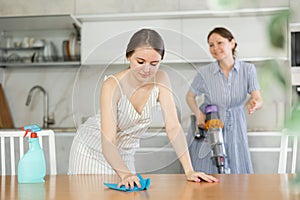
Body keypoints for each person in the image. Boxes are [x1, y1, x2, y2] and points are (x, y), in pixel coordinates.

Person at [68, 28, 218, 189]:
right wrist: (125, 174)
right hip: (93, 150)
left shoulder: (161, 79)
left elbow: (173, 126)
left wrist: (189, 170)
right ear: (128, 57)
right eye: (140, 62)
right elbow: (108, 141)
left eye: (154, 64)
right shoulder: (112, 85)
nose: (147, 69)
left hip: (125, 154)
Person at [186, 27, 263, 174]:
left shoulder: (248, 70)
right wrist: (198, 115)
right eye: (211, 45)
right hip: (211, 124)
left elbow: (258, 98)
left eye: (219, 43)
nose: (215, 48)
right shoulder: (204, 72)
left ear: (232, 43)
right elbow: (190, 96)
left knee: (237, 169)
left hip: (236, 124)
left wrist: (255, 103)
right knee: (209, 169)